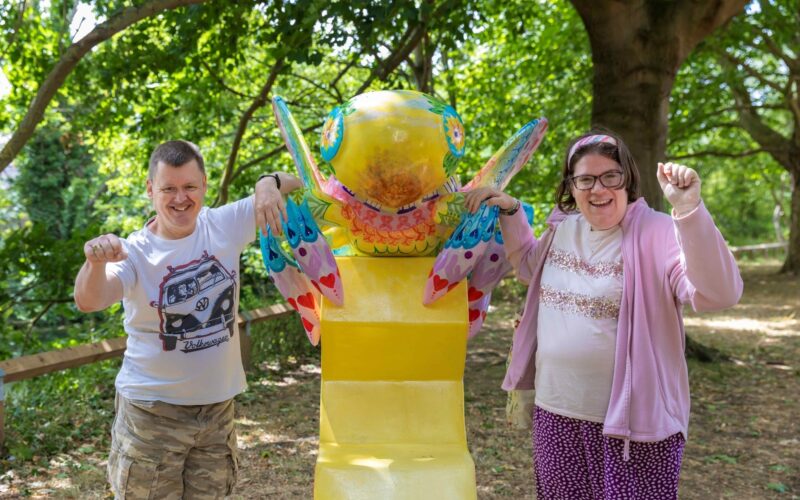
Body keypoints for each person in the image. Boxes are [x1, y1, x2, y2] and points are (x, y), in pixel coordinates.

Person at [464, 130, 743, 499]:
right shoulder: (562, 229)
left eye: (611, 176)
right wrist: (512, 211)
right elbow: (529, 266)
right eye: (585, 179)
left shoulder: (658, 232)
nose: (599, 189)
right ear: (571, 186)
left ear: (627, 178)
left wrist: (689, 210)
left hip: (634, 429)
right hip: (556, 414)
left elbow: (718, 294)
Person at [73, 140, 300, 499]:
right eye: (169, 189)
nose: (181, 198)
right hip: (152, 415)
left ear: (204, 185)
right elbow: (90, 300)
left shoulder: (224, 224)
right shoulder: (133, 251)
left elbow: (299, 182)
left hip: (216, 414)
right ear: (151, 190)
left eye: (190, 187)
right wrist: (95, 263)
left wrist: (267, 181)